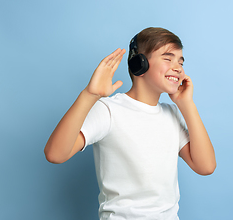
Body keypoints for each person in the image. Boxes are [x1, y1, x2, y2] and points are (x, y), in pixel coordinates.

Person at [44, 27, 216, 220]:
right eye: (168, 58)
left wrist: (187, 105)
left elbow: (206, 166)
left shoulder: (172, 113)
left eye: (180, 61)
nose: (178, 67)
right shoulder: (109, 110)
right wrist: (89, 96)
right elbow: (55, 154)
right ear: (139, 64)